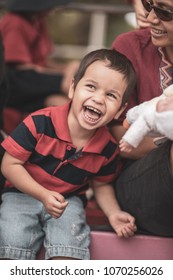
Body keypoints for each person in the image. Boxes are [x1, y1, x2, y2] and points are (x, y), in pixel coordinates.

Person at [0, 48, 137, 260]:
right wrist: (43, 195)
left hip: (68, 200)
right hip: (21, 194)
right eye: (91, 87)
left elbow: (101, 184)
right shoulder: (40, 123)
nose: (99, 99)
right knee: (12, 240)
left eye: (111, 95)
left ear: (120, 110)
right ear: (72, 88)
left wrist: (114, 214)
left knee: (69, 248)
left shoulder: (108, 147)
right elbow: (10, 165)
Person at [111, 0, 173, 237]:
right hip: (137, 183)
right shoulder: (130, 47)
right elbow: (122, 142)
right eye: (150, 5)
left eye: (165, 12)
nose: (152, 18)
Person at [0, 0, 78, 114]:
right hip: (16, 79)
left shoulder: (37, 21)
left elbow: (43, 61)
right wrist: (64, 74)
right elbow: (21, 67)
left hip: (33, 77)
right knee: (69, 84)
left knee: (59, 99)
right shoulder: (15, 23)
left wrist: (66, 68)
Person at [120, 84, 173, 152]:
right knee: (135, 116)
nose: (165, 102)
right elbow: (141, 123)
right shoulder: (151, 112)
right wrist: (129, 141)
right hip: (140, 115)